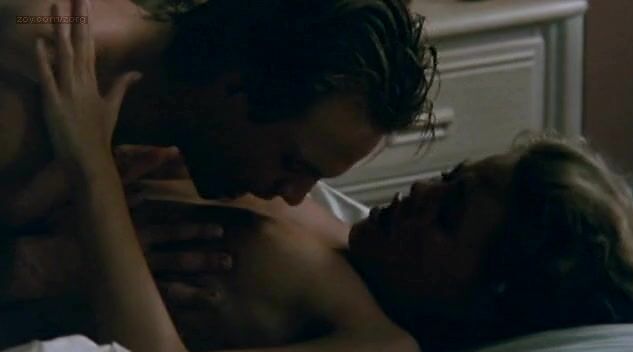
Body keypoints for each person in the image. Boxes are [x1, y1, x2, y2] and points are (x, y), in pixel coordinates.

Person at [30, 7, 633, 352]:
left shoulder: (380, 346)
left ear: (483, 295)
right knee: (42, 31)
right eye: (450, 177)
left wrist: (88, 167)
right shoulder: (332, 227)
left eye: (449, 217)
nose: (422, 192)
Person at [0, 0, 437, 227]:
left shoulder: (168, 132)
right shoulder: (35, 65)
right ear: (237, 82)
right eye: (291, 164)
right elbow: (22, 20)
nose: (293, 195)